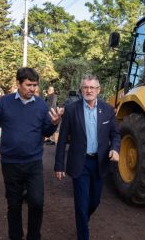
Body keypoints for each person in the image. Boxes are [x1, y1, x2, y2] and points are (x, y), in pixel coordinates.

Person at [0, 67, 63, 240]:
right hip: (11, 163)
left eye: (35, 85)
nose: (33, 89)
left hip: (33, 162)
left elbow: (47, 131)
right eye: (29, 85)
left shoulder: (41, 104)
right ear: (18, 83)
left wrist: (55, 123)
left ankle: (34, 236)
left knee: (37, 202)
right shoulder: (5, 102)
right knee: (14, 204)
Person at [54, 74, 120, 240]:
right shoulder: (71, 110)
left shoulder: (107, 110)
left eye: (92, 87)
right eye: (85, 87)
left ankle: (83, 220)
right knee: (81, 205)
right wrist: (59, 165)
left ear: (98, 90)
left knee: (94, 201)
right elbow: (62, 140)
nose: (89, 90)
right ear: (81, 90)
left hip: (99, 162)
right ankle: (83, 233)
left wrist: (115, 148)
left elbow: (115, 134)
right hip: (80, 163)